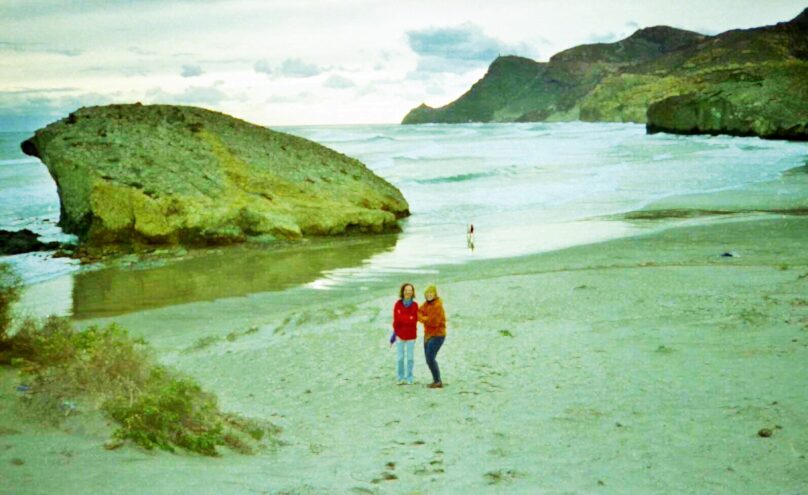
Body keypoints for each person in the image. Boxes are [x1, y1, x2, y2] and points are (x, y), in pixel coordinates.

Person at [418, 284, 446, 389]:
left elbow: (434, 322)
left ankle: (438, 381)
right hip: (428, 334)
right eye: (427, 293)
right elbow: (418, 313)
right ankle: (436, 380)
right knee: (428, 358)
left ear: (435, 294)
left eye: (431, 293)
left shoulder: (438, 305)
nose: (429, 295)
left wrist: (424, 319)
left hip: (438, 335)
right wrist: (425, 318)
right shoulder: (426, 304)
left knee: (430, 357)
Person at [391, 282, 418, 385]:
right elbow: (396, 321)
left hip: (411, 335)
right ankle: (400, 377)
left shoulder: (415, 305)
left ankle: (410, 377)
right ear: (403, 291)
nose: (408, 292)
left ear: (412, 292)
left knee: (410, 357)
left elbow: (413, 320)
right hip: (399, 335)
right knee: (400, 357)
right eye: (406, 290)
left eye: (410, 290)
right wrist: (406, 319)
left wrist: (404, 319)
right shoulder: (397, 304)